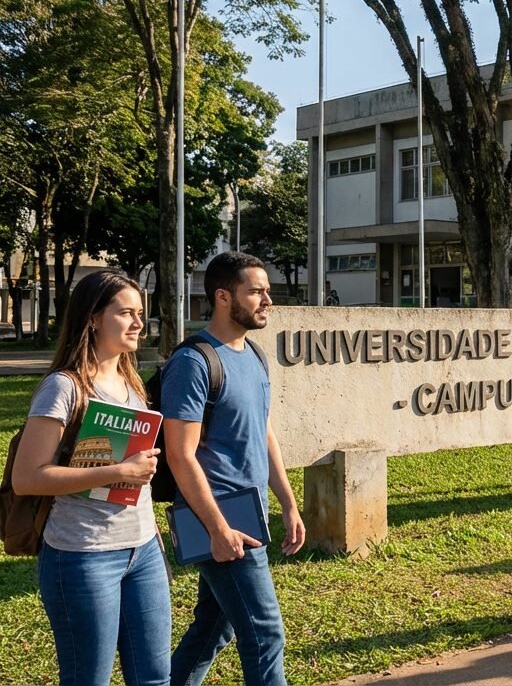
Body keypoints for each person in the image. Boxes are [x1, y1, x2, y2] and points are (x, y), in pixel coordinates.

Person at [13, 270, 169, 686]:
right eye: (126, 313)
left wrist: (150, 532)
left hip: (142, 553)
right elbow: (26, 478)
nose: (139, 322)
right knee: (88, 679)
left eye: (141, 313)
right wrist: (118, 471)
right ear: (94, 318)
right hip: (83, 555)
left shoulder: (130, 381)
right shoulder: (62, 387)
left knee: (154, 677)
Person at [162, 252, 306, 686]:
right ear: (223, 297)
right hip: (221, 518)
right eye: (256, 291)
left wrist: (288, 503)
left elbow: (263, 435)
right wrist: (217, 528)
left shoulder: (255, 356)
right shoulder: (194, 361)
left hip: (250, 510)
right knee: (264, 632)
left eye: (267, 291)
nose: (267, 300)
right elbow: (179, 454)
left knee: (214, 626)